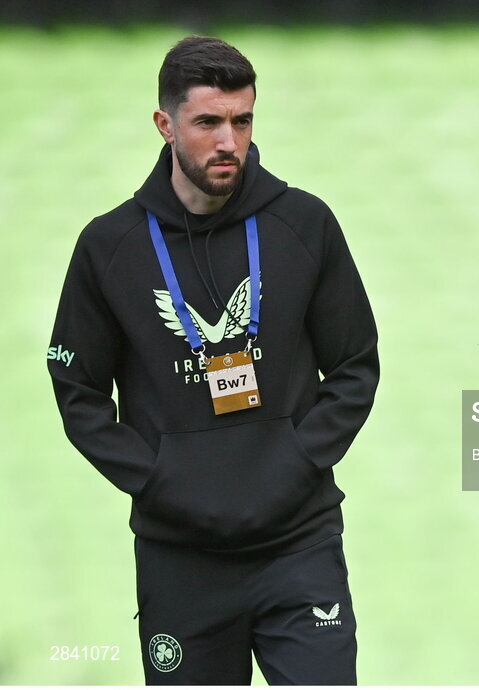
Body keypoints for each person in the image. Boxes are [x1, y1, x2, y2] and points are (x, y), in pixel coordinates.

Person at [47, 36, 379, 684]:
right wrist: (158, 476)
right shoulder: (108, 246)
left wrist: (298, 457)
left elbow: (355, 366)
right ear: (165, 124)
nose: (229, 141)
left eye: (242, 120)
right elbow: (75, 386)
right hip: (180, 560)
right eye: (208, 122)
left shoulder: (304, 225)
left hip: (299, 544)